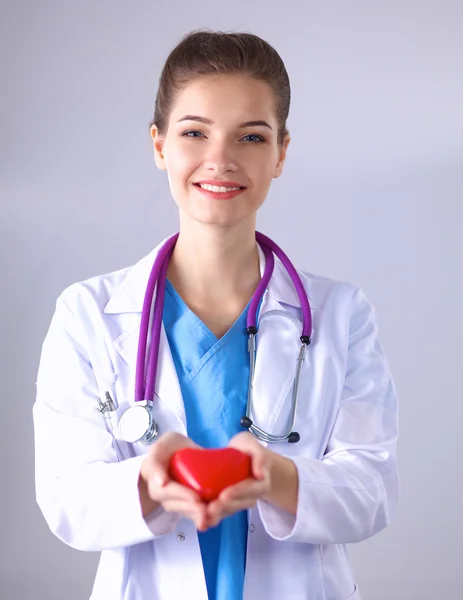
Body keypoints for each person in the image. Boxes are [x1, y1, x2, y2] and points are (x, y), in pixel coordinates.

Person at [33, 30, 399, 600]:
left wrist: (280, 478)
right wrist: (147, 483)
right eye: (194, 133)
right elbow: (64, 500)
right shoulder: (88, 315)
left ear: (280, 152)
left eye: (251, 136)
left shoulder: (340, 314)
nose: (220, 160)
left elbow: (372, 490)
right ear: (159, 146)